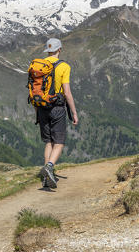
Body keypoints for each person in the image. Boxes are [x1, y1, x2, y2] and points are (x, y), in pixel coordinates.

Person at [36, 38, 79, 188]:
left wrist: (37, 109)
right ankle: (49, 167)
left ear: (47, 51)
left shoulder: (39, 66)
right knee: (59, 142)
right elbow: (67, 92)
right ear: (59, 49)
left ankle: (47, 176)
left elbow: (36, 90)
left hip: (41, 107)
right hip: (57, 108)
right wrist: (73, 112)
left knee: (49, 142)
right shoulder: (64, 67)